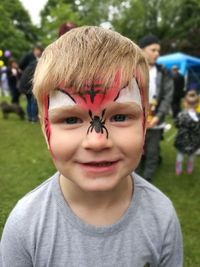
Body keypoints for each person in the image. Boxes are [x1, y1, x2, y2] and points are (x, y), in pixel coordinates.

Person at [0, 26, 182, 267]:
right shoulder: (25, 226)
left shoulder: (162, 218)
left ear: (144, 122)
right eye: (71, 119)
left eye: (119, 117)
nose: (97, 141)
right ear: (46, 130)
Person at [136, 34, 174, 182]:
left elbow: (167, 97)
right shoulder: (132, 70)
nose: (157, 53)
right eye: (153, 50)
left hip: (155, 120)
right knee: (136, 148)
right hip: (137, 120)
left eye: (158, 50)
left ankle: (148, 178)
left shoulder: (164, 72)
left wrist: (158, 116)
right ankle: (134, 176)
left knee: (152, 150)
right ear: (142, 50)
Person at [174, 84, 200, 175]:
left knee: (180, 154)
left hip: (182, 139)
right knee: (191, 155)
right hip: (194, 141)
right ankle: (190, 168)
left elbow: (176, 124)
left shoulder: (181, 115)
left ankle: (178, 169)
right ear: (197, 103)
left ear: (185, 102)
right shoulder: (198, 116)